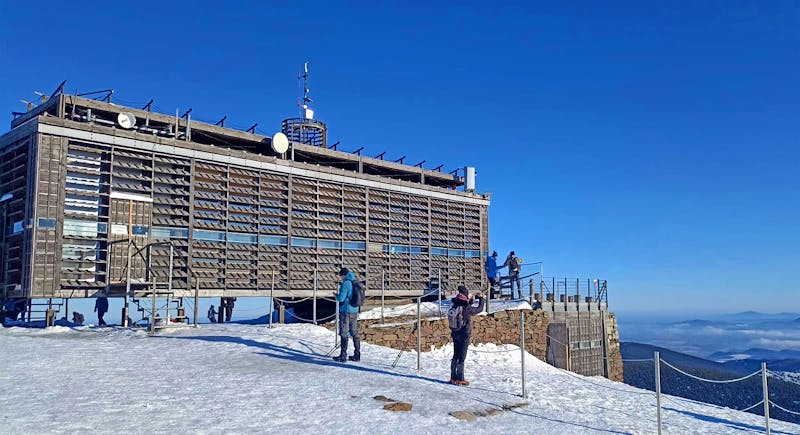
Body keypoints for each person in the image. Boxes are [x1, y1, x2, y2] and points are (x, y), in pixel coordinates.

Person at [449, 285, 485, 385]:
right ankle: (460, 379)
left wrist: (471, 301)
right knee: (462, 356)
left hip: (455, 333)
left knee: (455, 355)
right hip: (464, 334)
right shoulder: (466, 307)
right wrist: (481, 299)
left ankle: (453, 378)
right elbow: (479, 309)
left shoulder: (455, 304)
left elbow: (465, 305)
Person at [333, 267, 361, 362]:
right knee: (354, 332)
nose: (340, 278)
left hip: (346, 310)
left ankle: (343, 355)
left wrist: (336, 296)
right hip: (355, 310)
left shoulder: (346, 283)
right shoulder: (355, 282)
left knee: (344, 332)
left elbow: (341, 298)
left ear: (343, 275)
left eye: (340, 276)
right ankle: (357, 354)